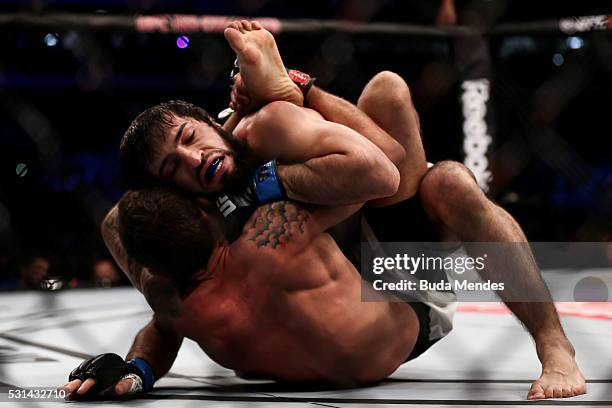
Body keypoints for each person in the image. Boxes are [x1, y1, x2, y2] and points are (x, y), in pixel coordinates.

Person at [65, 20, 584, 400]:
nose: (192, 159)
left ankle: (554, 346)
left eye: (188, 138)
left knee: (411, 126)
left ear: (208, 121)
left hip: (397, 270)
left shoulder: (260, 130)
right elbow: (169, 307)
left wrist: (298, 101)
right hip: (340, 257)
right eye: (171, 168)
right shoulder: (198, 238)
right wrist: (136, 367)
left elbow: (392, 169)